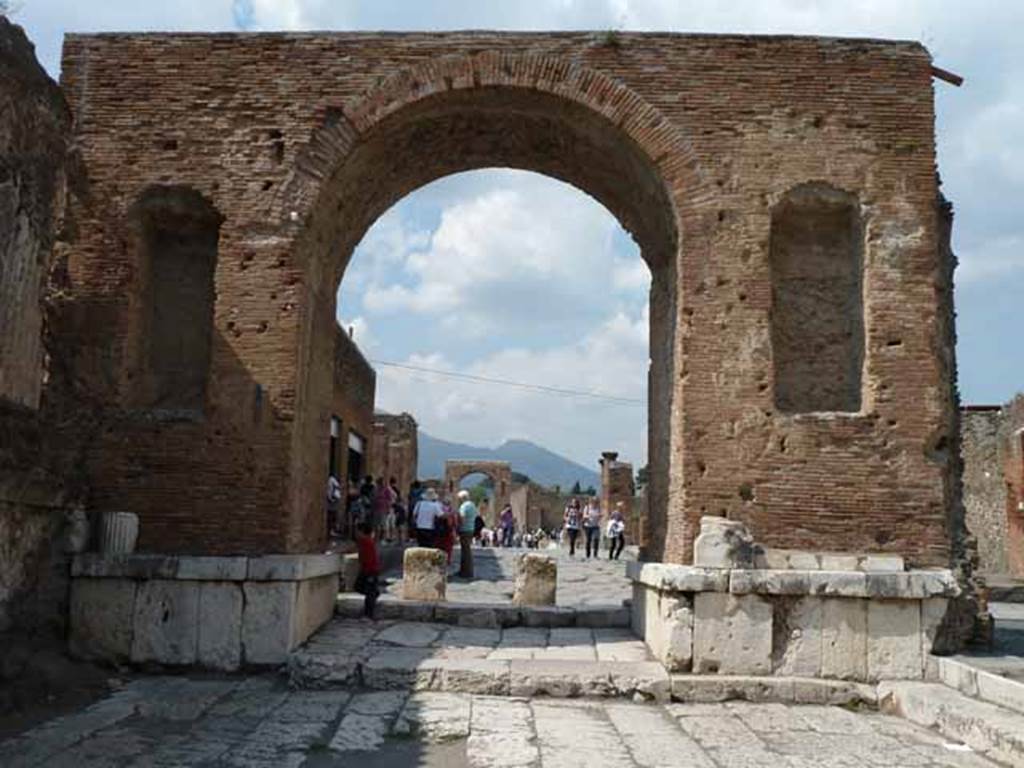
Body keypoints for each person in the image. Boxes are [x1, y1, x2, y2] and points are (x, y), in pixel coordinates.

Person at [354, 521, 381, 618]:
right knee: (359, 587)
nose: (356, 533)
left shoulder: (366, 541)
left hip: (370, 570)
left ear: (361, 531)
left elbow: (368, 558)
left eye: (357, 531)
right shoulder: (365, 541)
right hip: (367, 569)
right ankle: (375, 594)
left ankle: (369, 614)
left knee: (369, 592)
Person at [456, 489, 477, 578]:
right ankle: (464, 570)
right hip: (471, 528)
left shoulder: (464, 506)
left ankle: (466, 572)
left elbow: (462, 518)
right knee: (467, 550)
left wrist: (457, 526)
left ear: (462, 498)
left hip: (464, 529)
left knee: (465, 551)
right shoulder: (472, 505)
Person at [438, 496, 457, 564]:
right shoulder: (452, 511)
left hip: (439, 531)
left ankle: (439, 560)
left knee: (440, 546)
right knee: (448, 547)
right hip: (449, 531)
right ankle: (447, 560)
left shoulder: (439, 509)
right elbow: (455, 523)